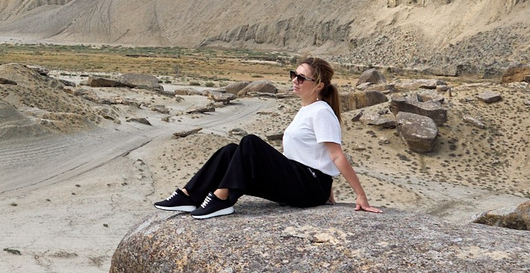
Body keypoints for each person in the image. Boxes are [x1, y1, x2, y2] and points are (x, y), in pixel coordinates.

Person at [150, 56, 380, 218]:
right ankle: (190, 195)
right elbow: (313, 154)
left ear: (319, 85)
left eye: (302, 78)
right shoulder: (307, 109)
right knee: (231, 150)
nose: (294, 81)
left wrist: (359, 195)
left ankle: (222, 199)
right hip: (303, 181)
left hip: (309, 186)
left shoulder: (321, 111)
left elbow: (336, 156)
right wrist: (326, 189)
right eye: (294, 75)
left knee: (250, 142)